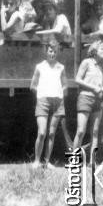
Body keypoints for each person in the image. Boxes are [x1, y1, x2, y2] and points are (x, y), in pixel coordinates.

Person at [30, 40, 68, 169]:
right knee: (42, 133)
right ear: (46, 52)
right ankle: (36, 160)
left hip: (57, 102)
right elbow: (33, 85)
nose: (53, 54)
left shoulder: (61, 67)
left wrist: (60, 96)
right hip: (43, 101)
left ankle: (47, 161)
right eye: (50, 51)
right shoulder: (40, 66)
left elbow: (65, 85)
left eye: (55, 52)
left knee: (51, 134)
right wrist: (41, 95)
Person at [72, 41, 103, 163]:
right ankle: (74, 159)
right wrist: (93, 88)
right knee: (81, 130)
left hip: (97, 100)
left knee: (95, 132)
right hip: (85, 98)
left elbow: (98, 84)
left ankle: (92, 162)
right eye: (102, 49)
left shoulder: (100, 67)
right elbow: (77, 79)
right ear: (95, 50)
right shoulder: (86, 62)